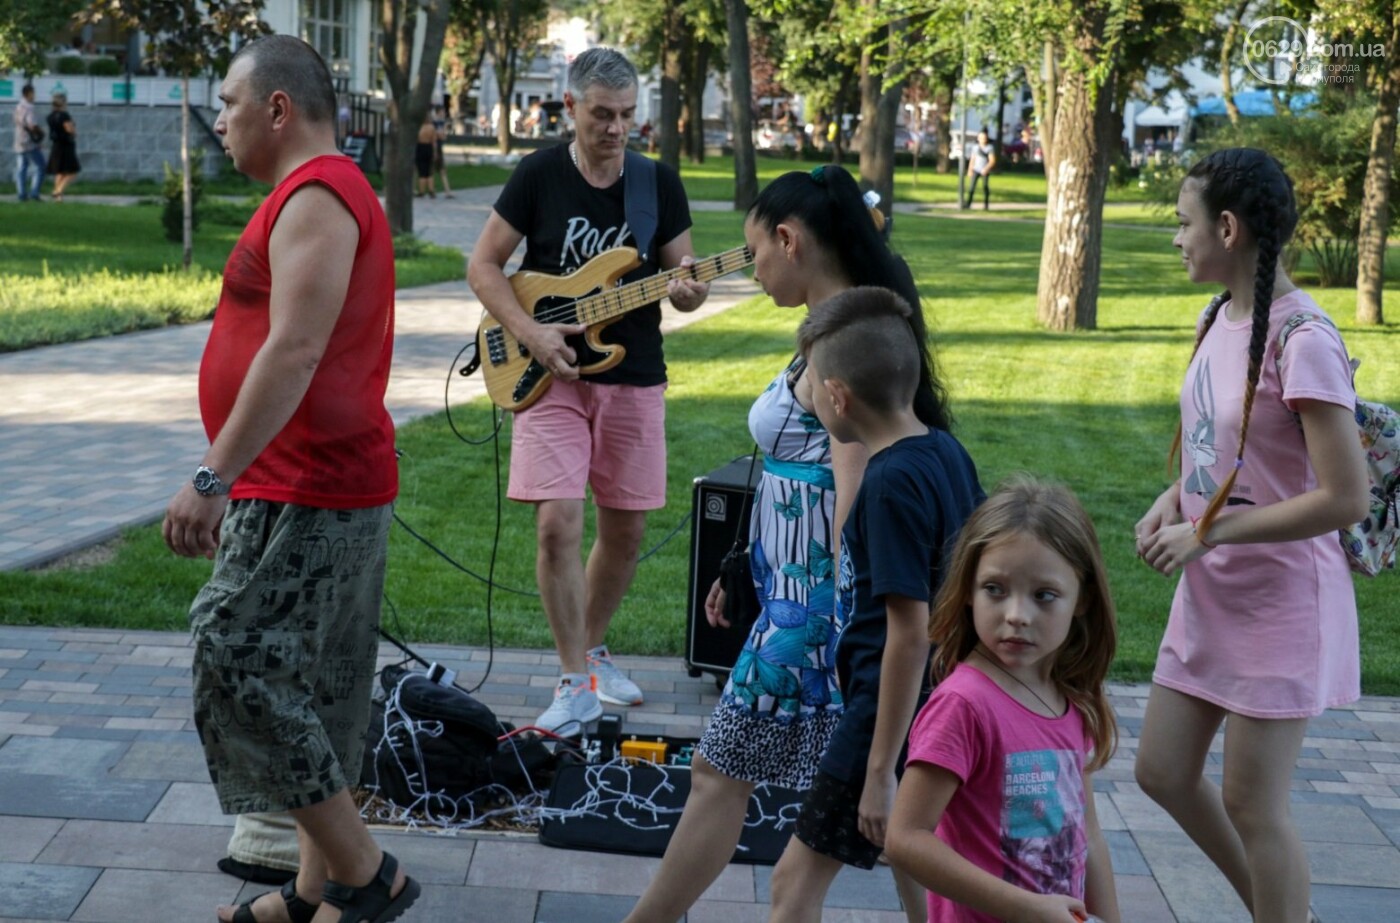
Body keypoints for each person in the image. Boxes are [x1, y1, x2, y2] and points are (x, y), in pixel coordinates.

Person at [625, 165, 946, 923]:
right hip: (795, 605)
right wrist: (745, 562)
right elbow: (790, 470)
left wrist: (826, 625)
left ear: (789, 239)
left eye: (755, 251)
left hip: (811, 619)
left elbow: (853, 492)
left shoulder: (841, 347)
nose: (755, 268)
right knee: (874, 813)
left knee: (723, 774)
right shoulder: (834, 331)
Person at [162, 34, 419, 923]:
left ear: (277, 108)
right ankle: (314, 895)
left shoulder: (316, 194)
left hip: (305, 482)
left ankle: (364, 873)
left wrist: (211, 473)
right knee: (319, 687)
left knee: (237, 653)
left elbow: (297, 347)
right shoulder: (320, 193)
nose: (219, 121)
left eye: (229, 103)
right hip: (311, 477)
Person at [1132, 148, 1369, 923]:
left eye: (1183, 222)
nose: (1177, 238)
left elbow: (1345, 496)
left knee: (1253, 805)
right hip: (1215, 589)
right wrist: (1174, 499)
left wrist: (1216, 531)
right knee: (1162, 770)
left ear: (1227, 228)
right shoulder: (1217, 318)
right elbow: (1224, 449)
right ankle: (1283, 909)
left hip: (1281, 603)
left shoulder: (1304, 339)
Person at [466, 46, 709, 732]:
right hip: (551, 372)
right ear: (569, 107)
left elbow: (684, 282)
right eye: (602, 114)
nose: (616, 128)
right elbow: (484, 265)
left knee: (626, 532)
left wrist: (690, 288)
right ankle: (573, 681)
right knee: (556, 524)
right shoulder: (539, 174)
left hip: (634, 371)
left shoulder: (657, 184)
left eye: (628, 115)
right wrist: (532, 333)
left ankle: (593, 650)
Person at [766, 286, 984, 923]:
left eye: (811, 388)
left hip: (882, 720)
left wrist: (879, 768)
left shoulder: (887, 485)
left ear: (838, 397)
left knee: (791, 885)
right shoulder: (945, 450)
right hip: (937, 702)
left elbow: (908, 634)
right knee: (917, 865)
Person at [885, 477, 1121, 923]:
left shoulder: (1068, 695)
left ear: (1082, 599)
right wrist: (1028, 909)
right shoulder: (964, 705)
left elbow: (1087, 835)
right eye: (995, 589)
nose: (1016, 615)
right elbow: (906, 838)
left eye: (1044, 595)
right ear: (968, 591)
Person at [12, 84, 44, 202]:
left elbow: (16, 120)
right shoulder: (29, 107)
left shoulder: (18, 106)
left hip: (19, 141)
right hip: (29, 141)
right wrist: (40, 132)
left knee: (22, 168)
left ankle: (21, 194)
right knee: (41, 166)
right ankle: (34, 192)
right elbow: (31, 124)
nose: (34, 96)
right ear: (29, 93)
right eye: (33, 93)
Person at [46, 92, 80, 202]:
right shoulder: (64, 115)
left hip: (56, 145)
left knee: (60, 172)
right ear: (63, 103)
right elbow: (69, 128)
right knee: (72, 171)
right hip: (66, 145)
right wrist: (74, 132)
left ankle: (58, 198)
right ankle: (58, 190)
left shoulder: (50, 116)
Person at [963, 129, 995, 210]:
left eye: (984, 138)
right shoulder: (975, 147)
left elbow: (992, 160)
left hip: (985, 170)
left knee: (985, 187)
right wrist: (970, 169)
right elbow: (972, 159)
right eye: (981, 138)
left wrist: (986, 169)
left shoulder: (989, 148)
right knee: (971, 187)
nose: (982, 139)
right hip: (976, 169)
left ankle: (986, 205)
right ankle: (968, 203)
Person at [431, 104, 454, 198]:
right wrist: (440, 134)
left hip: (439, 147)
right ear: (438, 112)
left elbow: (443, 136)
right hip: (433, 148)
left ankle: (447, 191)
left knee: (441, 170)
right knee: (431, 170)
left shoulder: (441, 123)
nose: (444, 113)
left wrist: (441, 133)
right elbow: (437, 135)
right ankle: (432, 190)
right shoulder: (434, 123)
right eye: (443, 111)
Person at [414, 115, 436, 197]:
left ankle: (421, 191)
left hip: (420, 148)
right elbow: (434, 141)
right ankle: (431, 190)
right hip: (429, 147)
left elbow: (416, 139)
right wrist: (435, 152)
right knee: (429, 170)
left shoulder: (419, 127)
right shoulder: (432, 128)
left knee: (421, 171)